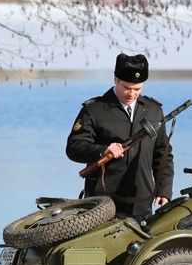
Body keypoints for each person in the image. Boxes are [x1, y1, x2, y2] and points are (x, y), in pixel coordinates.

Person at [66, 53, 174, 219]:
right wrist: (102, 150)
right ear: (116, 79)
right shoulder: (94, 110)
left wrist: (164, 190)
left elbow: (162, 154)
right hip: (102, 201)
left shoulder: (154, 110)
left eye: (137, 89)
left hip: (141, 200)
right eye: (126, 87)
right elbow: (74, 147)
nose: (131, 93)